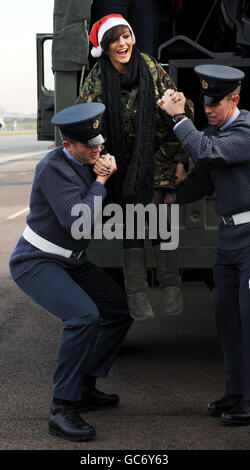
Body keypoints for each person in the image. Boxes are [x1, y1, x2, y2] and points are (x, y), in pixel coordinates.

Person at [9, 102, 133, 442]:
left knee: (118, 310)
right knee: (83, 316)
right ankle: (61, 408)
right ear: (68, 146)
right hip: (36, 260)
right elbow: (78, 221)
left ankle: (83, 387)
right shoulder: (53, 167)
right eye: (89, 146)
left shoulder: (89, 158)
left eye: (99, 142)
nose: (98, 149)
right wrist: (101, 180)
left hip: (71, 260)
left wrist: (104, 175)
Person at [77, 13, 193, 320]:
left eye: (126, 36)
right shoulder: (98, 78)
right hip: (122, 162)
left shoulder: (149, 67)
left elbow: (183, 110)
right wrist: (98, 158)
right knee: (129, 216)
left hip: (157, 155)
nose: (122, 43)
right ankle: (137, 294)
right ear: (104, 46)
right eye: (115, 39)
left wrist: (180, 160)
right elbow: (83, 122)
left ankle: (170, 288)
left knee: (158, 210)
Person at [158, 64, 250, 426]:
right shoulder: (216, 132)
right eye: (205, 103)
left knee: (248, 318)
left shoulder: (244, 131)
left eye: (217, 103)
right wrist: (167, 198)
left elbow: (210, 154)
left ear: (235, 100)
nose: (209, 109)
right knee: (227, 319)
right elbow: (200, 180)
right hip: (229, 240)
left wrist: (180, 118)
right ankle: (236, 393)